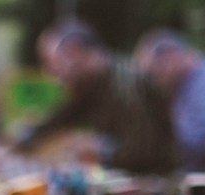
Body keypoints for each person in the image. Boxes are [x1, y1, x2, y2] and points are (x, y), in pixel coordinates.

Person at [17, 21, 177, 174]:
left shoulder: (125, 85)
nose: (50, 73)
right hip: (131, 185)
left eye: (51, 62)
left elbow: (140, 151)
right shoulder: (90, 84)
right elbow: (59, 118)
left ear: (76, 51)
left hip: (157, 188)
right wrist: (16, 145)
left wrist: (96, 147)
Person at [134, 30, 205, 172]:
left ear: (171, 57)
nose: (155, 81)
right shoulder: (183, 84)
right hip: (197, 176)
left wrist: (156, 142)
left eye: (155, 73)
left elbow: (203, 142)